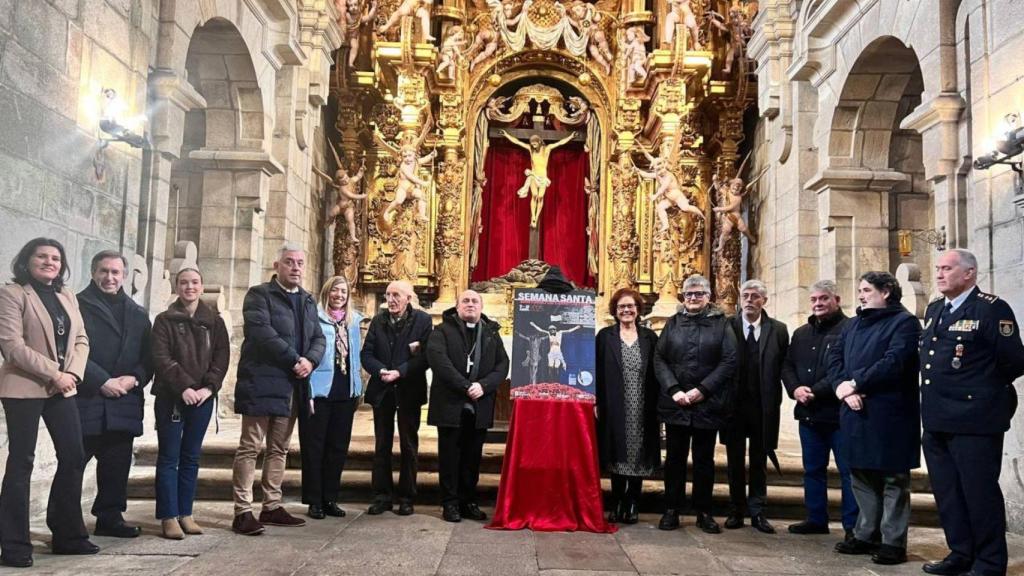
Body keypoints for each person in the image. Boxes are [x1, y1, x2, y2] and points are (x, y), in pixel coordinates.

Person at [919, 249, 1024, 576]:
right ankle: (961, 552)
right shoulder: (935, 309)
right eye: (937, 268)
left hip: (975, 420)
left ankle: (990, 562)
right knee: (949, 494)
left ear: (969, 274)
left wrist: (979, 392)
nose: (939, 274)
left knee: (979, 494)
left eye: (947, 268)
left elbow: (1014, 361)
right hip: (936, 418)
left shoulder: (991, 309)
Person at [0, 238, 96, 567]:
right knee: (21, 463)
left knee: (73, 455)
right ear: (27, 261)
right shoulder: (12, 294)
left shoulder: (65, 295)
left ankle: (67, 536)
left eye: (56, 257)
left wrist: (73, 373)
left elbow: (81, 338)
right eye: (42, 256)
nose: (49, 262)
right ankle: (14, 546)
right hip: (23, 387)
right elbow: (12, 346)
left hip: (62, 387)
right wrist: (55, 373)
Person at [230, 243, 325, 535]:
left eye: (299, 263)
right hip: (261, 380)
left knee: (279, 448)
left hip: (292, 387)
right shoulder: (260, 295)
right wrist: (295, 359)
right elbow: (261, 333)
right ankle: (242, 511)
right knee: (250, 447)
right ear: (277, 266)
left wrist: (310, 360)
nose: (295, 267)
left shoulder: (308, 301)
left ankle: (271, 505)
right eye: (289, 262)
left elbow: (319, 338)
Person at [828, 271, 921, 565]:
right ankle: (865, 534)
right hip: (855, 410)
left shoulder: (905, 323)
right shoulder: (853, 324)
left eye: (867, 290)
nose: (861, 295)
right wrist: (842, 388)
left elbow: (895, 361)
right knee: (861, 475)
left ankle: (893, 542)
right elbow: (835, 358)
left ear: (887, 293)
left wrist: (856, 384)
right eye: (860, 290)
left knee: (893, 478)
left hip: (890, 412)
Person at [75, 250, 152, 539]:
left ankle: (110, 517)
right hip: (88, 395)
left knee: (116, 463)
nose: (109, 277)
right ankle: (64, 521)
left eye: (115, 272)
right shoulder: (77, 305)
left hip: (124, 398)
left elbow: (148, 358)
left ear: (124, 276)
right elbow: (71, 351)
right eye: (104, 271)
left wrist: (135, 379)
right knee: (74, 462)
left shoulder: (138, 313)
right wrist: (102, 381)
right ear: (94, 272)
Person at [150, 266, 229, 540]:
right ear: (177, 286)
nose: (190, 287)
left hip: (203, 398)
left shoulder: (215, 322)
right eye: (184, 283)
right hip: (172, 397)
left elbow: (221, 358)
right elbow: (161, 358)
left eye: (195, 282)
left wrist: (208, 388)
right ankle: (168, 516)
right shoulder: (164, 320)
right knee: (169, 456)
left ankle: (186, 513)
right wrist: (184, 387)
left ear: (202, 285)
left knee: (191, 457)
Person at [655, 274, 737, 534]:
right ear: (683, 296)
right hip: (676, 404)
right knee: (675, 460)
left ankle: (704, 511)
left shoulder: (721, 324)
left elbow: (729, 360)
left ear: (708, 297)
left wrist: (703, 390)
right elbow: (660, 359)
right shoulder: (673, 323)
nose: (693, 297)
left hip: (707, 404)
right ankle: (671, 509)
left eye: (698, 293)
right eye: (689, 293)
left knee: (704, 461)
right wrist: (674, 389)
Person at [781, 280, 857, 539]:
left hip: (838, 414)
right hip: (808, 414)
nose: (817, 304)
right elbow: (787, 365)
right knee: (812, 469)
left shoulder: (850, 329)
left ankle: (852, 526)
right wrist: (795, 389)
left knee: (848, 472)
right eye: (813, 300)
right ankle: (816, 518)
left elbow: (845, 368)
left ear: (836, 299)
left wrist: (814, 391)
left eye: (823, 299)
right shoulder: (801, 333)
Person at [427, 290, 509, 522]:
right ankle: (450, 503)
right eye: (466, 301)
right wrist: (465, 386)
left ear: (481, 306)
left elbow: (503, 365)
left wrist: (483, 386)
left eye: (474, 301)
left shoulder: (491, 333)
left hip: (479, 403)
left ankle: (468, 501)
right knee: (450, 456)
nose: (470, 304)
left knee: (473, 457)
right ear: (457, 306)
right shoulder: (442, 330)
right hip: (450, 403)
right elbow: (438, 361)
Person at [721, 279, 789, 534]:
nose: (749, 300)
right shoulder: (727, 326)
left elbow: (784, 365)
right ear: (740, 299)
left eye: (755, 296)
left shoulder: (779, 330)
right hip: (734, 406)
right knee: (734, 460)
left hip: (763, 407)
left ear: (764, 300)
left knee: (760, 460)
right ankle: (736, 509)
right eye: (746, 295)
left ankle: (758, 511)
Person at [361, 280, 433, 516]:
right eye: (388, 295)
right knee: (382, 444)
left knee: (408, 444)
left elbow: (425, 358)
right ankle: (381, 496)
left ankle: (406, 496)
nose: (390, 299)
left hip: (408, 389)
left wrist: (400, 371)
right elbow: (367, 354)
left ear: (408, 298)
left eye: (396, 295)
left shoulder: (423, 321)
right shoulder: (378, 320)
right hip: (382, 388)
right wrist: (381, 370)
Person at [300, 275, 364, 520]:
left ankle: (330, 498)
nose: (339, 295)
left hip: (345, 392)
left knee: (338, 448)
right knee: (314, 447)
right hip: (318, 392)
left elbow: (356, 356)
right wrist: (308, 392)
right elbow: (307, 353)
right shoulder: (313, 319)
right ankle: (314, 500)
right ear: (327, 292)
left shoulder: (353, 321)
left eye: (344, 292)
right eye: (335, 291)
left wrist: (358, 389)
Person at [595, 288, 660, 524]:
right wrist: (596, 400)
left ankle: (633, 502)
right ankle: (617, 501)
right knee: (617, 450)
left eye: (630, 306)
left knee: (638, 452)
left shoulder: (650, 338)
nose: (626, 310)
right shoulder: (604, 337)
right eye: (622, 307)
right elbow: (596, 371)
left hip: (643, 403)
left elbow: (658, 370)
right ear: (615, 310)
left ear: (638, 309)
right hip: (614, 402)